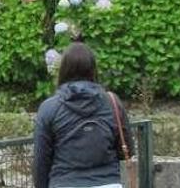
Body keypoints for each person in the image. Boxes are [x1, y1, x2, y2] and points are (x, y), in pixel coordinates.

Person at [33, 43, 134, 188]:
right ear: (93, 69)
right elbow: (127, 151)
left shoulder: (49, 108)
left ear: (63, 70)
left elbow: (41, 161)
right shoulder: (112, 102)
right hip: (109, 182)